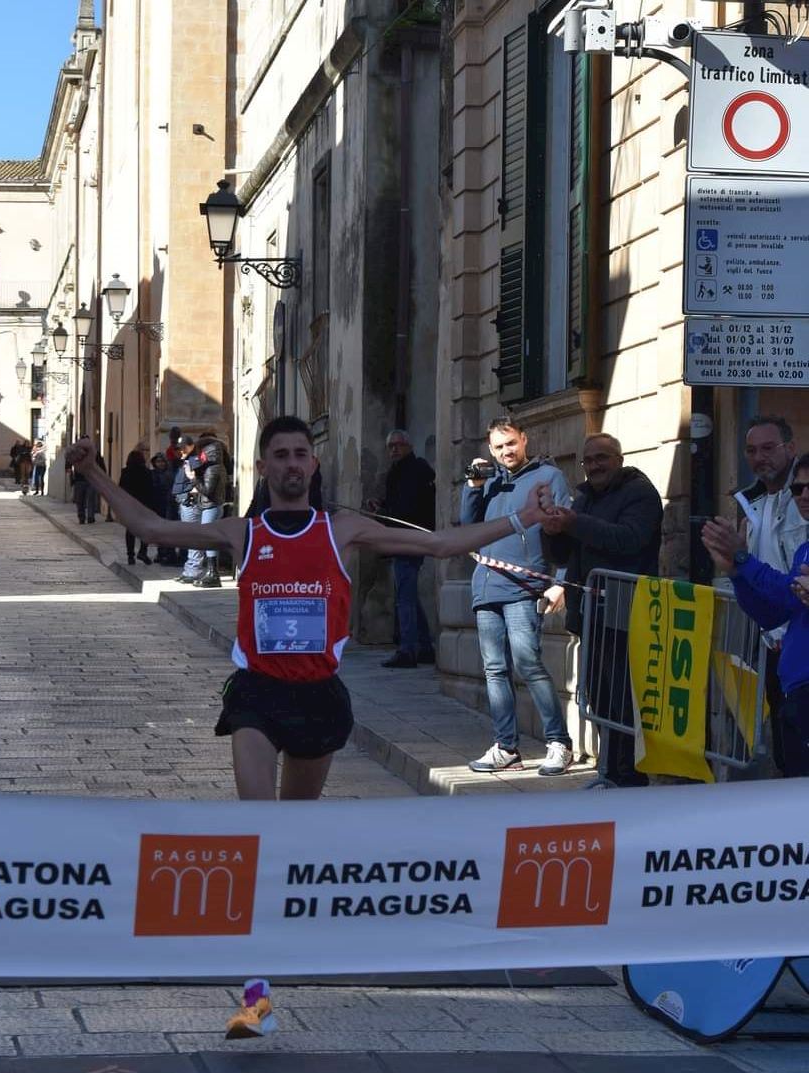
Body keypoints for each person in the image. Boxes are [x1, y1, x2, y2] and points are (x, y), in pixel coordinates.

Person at [67, 416, 553, 1038]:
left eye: (302, 454)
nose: (293, 464)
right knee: (256, 834)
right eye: (281, 455)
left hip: (319, 699)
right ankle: (256, 995)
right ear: (264, 468)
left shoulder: (341, 531)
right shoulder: (243, 533)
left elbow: (438, 545)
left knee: (286, 844)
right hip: (257, 697)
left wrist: (524, 521)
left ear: (313, 467)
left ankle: (282, 939)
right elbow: (151, 526)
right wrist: (93, 473)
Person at [541, 433, 663, 787]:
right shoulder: (584, 498)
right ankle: (609, 771)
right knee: (598, 699)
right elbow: (563, 554)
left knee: (622, 702)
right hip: (591, 616)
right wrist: (551, 530)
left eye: (602, 458)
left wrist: (573, 523)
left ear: (619, 459)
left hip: (625, 614)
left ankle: (626, 777)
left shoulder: (640, 493)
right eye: (588, 460)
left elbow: (628, 540)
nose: (594, 466)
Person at [462, 415, 575, 777]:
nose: (506, 452)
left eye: (511, 443)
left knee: (529, 664)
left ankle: (559, 743)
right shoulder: (489, 482)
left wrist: (560, 581)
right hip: (485, 588)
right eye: (498, 447)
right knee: (495, 671)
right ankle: (506, 747)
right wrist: (473, 487)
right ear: (490, 449)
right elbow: (468, 527)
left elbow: (565, 530)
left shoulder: (549, 477)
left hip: (524, 589)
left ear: (524, 439)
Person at [703, 453, 809, 777]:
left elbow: (783, 591)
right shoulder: (806, 547)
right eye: (798, 488)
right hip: (795, 687)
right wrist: (736, 572)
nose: (804, 496)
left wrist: (744, 558)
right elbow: (774, 611)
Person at [729, 415, 806, 773]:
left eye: (768, 448)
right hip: (776, 645)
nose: (759, 457)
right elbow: (759, 575)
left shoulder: (801, 497)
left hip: (798, 639)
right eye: (751, 450)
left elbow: (793, 585)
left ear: (790, 448)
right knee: (786, 751)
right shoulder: (750, 502)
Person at [370, 430, 437, 668]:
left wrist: (386, 514)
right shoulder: (396, 473)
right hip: (401, 538)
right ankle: (425, 647)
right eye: (390, 446)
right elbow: (396, 505)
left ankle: (408, 649)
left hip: (410, 538)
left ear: (409, 446)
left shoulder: (416, 470)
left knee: (404, 597)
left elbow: (409, 508)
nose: (394, 450)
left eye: (398, 445)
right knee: (407, 594)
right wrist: (382, 508)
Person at [189, 434, 228, 588]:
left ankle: (213, 574)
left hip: (211, 506)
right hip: (210, 506)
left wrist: (193, 479)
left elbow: (207, 490)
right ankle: (211, 572)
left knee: (210, 540)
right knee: (208, 540)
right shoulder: (215, 467)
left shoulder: (213, 469)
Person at [171, 435, 202, 582]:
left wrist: (192, 492)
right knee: (189, 537)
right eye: (179, 448)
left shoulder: (194, 461)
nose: (181, 450)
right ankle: (189, 569)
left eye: (183, 447)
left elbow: (197, 481)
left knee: (193, 537)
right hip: (184, 502)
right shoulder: (186, 461)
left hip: (190, 503)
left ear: (191, 446)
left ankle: (193, 571)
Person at [118, 450, 154, 565]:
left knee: (130, 531)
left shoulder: (125, 472)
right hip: (143, 504)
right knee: (146, 529)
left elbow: (121, 488)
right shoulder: (147, 472)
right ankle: (143, 551)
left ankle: (130, 556)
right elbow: (151, 489)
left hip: (130, 505)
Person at [149, 453, 177, 564]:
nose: (160, 464)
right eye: (158, 462)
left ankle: (169, 553)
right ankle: (161, 552)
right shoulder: (152, 474)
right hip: (157, 505)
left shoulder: (169, 474)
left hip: (168, 505)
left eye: (162, 461)